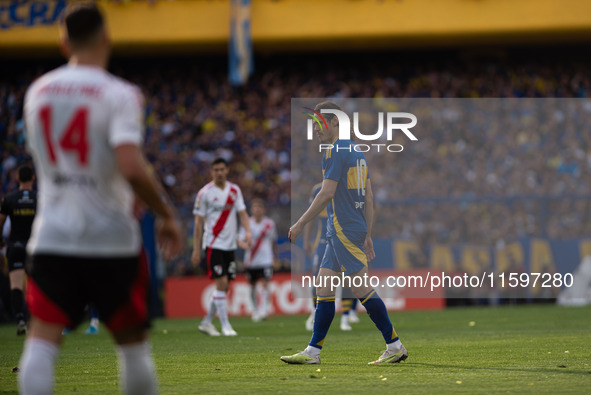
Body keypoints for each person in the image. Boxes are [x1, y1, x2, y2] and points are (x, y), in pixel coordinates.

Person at [19, 4, 182, 395]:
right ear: (107, 37)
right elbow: (129, 165)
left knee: (42, 341)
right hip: (111, 238)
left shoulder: (37, 91)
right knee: (132, 348)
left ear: (62, 42)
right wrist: (166, 213)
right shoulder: (120, 94)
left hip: (53, 235)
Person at [281, 101, 407, 365]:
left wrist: (301, 222)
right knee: (324, 286)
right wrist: (368, 233)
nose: (315, 129)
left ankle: (394, 345)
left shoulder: (334, 150)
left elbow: (326, 192)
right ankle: (313, 352)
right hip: (346, 228)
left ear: (335, 122)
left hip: (343, 229)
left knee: (361, 288)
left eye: (319, 123)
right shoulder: (357, 152)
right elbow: (369, 197)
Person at [192, 158, 252, 336]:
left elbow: (242, 213)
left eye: (222, 169)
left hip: (230, 245)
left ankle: (206, 322)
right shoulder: (204, 193)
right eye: (216, 170)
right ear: (212, 172)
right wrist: (196, 249)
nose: (219, 172)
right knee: (222, 283)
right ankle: (226, 326)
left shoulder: (234, 191)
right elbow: (198, 223)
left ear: (227, 170)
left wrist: (247, 232)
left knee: (224, 288)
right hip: (213, 243)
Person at [0, 165, 37, 336]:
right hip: (35, 248)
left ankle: (21, 319)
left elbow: (0, 222)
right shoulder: (39, 199)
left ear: (17, 179)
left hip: (15, 246)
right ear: (33, 179)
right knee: (36, 286)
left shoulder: (9, 199)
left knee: (16, 285)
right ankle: (35, 320)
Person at [238, 198, 278, 322]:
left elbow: (273, 241)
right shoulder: (247, 224)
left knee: (265, 283)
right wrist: (244, 246)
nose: (257, 210)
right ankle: (255, 310)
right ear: (251, 210)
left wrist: (275, 258)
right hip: (251, 260)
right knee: (253, 286)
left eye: (259, 207)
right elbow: (239, 240)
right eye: (255, 207)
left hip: (266, 259)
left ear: (264, 210)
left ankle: (264, 310)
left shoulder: (269, 224)